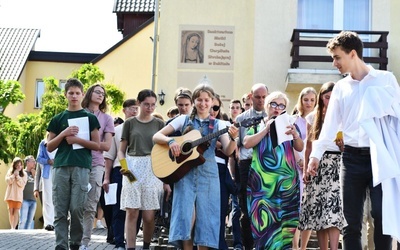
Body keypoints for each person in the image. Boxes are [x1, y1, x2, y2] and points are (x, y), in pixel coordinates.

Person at [307, 31, 400, 250]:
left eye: (337, 57)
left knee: (381, 214)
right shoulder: (340, 88)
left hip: (380, 157)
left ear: (353, 54)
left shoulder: (386, 80)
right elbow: (329, 126)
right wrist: (315, 156)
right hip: (350, 158)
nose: (334, 63)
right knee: (350, 222)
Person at [153, 84, 239, 250]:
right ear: (194, 101)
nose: (203, 103)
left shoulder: (220, 124)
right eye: (199, 99)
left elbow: (228, 151)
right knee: (185, 219)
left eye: (207, 100)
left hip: (209, 175)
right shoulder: (182, 119)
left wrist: (233, 138)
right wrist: (171, 141)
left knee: (206, 222)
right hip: (184, 174)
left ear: (213, 101)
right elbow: (157, 136)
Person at [243, 91, 303, 249]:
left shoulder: (290, 124)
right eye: (274, 104)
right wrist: (265, 130)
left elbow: (300, 147)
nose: (277, 108)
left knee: (286, 226)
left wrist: (296, 135)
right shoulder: (257, 124)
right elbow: (247, 143)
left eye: (281, 105)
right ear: (266, 106)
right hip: (262, 185)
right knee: (263, 226)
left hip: (286, 184)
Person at [47, 78, 100, 250]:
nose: (74, 96)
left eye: (77, 93)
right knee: (60, 209)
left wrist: (77, 140)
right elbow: (49, 146)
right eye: (71, 93)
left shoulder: (90, 118)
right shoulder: (57, 118)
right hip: (61, 166)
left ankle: (76, 243)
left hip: (82, 166)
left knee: (77, 208)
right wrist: (63, 133)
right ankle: (61, 245)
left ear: (83, 94)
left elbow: (97, 145)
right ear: (66, 95)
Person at [298, 81, 346, 250]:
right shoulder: (312, 117)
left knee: (333, 209)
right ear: (321, 98)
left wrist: (343, 146)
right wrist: (305, 170)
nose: (330, 101)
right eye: (327, 97)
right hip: (317, 164)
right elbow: (308, 146)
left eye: (333, 98)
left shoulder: (343, 116)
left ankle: (334, 248)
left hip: (336, 164)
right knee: (319, 210)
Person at [118, 89, 166, 250]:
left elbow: (163, 151)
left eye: (153, 105)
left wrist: (166, 180)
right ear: (139, 103)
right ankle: (130, 247)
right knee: (132, 210)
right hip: (132, 167)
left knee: (149, 215)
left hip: (152, 168)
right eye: (146, 104)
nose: (150, 108)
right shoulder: (129, 123)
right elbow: (121, 149)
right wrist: (124, 168)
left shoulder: (160, 124)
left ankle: (146, 245)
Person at [80, 84, 115, 249]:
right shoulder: (78, 113)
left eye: (103, 93)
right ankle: (74, 239)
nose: (101, 95)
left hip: (96, 164)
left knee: (90, 204)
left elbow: (107, 146)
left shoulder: (107, 118)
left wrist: (81, 142)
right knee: (75, 204)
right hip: (77, 162)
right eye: (97, 92)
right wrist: (95, 143)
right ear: (89, 93)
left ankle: (84, 243)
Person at [103, 99, 140, 250]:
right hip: (120, 172)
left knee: (137, 208)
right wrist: (106, 177)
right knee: (118, 209)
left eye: (136, 109)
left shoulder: (143, 129)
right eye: (131, 109)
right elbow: (109, 157)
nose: (134, 112)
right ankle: (119, 243)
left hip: (138, 172)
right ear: (124, 110)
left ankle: (131, 240)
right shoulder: (117, 131)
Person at [236, 83, 268, 250]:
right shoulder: (241, 119)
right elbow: (237, 147)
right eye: (257, 96)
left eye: (264, 97)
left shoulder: (272, 116)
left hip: (267, 166)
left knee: (265, 207)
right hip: (247, 165)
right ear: (250, 96)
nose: (261, 100)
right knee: (246, 210)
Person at [291, 87, 317, 250]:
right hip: (295, 168)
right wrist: (301, 161)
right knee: (295, 210)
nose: (308, 103)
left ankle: (303, 247)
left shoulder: (318, 120)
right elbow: (291, 142)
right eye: (305, 99)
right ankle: (294, 246)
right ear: (300, 100)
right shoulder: (294, 120)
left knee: (309, 210)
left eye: (312, 100)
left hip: (313, 169)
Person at [210, 94, 236, 250]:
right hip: (195, 169)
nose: (212, 110)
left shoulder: (223, 124)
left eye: (215, 107)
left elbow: (229, 151)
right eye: (209, 106)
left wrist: (230, 140)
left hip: (219, 169)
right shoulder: (191, 122)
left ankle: (219, 244)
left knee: (218, 213)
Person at [227, 99, 243, 250]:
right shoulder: (226, 126)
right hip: (235, 175)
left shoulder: (245, 125)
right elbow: (231, 156)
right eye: (232, 107)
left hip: (247, 173)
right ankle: (238, 243)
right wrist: (232, 176)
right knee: (236, 210)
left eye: (237, 107)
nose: (235, 110)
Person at [35, 133, 57, 231]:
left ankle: (58, 221)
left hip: (59, 171)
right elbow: (38, 158)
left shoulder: (61, 141)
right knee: (48, 198)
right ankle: (48, 223)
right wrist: (48, 161)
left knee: (59, 197)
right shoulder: (43, 143)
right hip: (47, 173)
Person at [4, 157, 26, 229]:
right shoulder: (10, 172)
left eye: (20, 165)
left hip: (18, 196)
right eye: (17, 165)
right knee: (11, 211)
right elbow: (8, 181)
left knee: (16, 211)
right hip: (10, 195)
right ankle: (12, 227)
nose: (19, 167)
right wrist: (13, 175)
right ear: (14, 166)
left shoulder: (24, 174)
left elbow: (22, 184)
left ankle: (13, 228)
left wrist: (18, 176)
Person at [19, 155, 37, 229]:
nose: (34, 163)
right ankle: (19, 237)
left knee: (29, 221)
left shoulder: (35, 173)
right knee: (23, 220)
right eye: (32, 161)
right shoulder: (22, 173)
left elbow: (39, 184)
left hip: (33, 200)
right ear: (27, 162)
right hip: (24, 199)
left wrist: (34, 175)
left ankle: (26, 239)